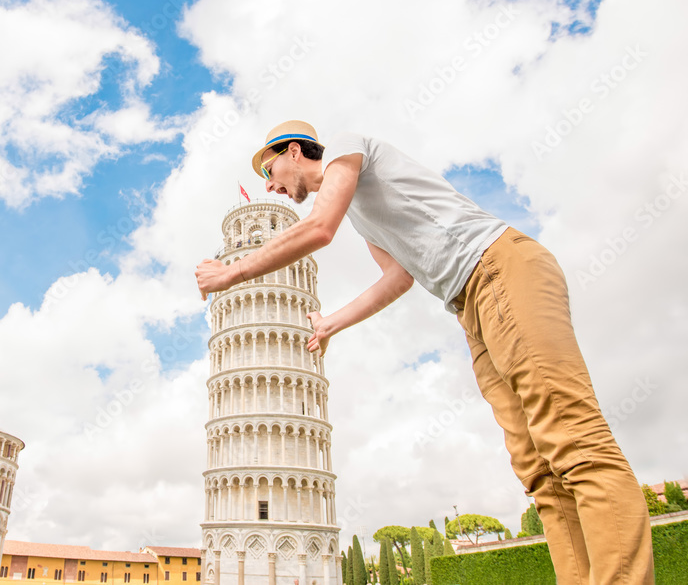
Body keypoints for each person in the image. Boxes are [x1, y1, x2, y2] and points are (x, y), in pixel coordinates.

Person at [194, 120, 653, 585]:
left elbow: (318, 229)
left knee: (572, 438)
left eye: (270, 170)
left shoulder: (349, 149)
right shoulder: (360, 214)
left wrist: (231, 274)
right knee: (538, 470)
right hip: (468, 303)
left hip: (500, 268)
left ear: (295, 152)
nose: (270, 186)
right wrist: (333, 322)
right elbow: (398, 279)